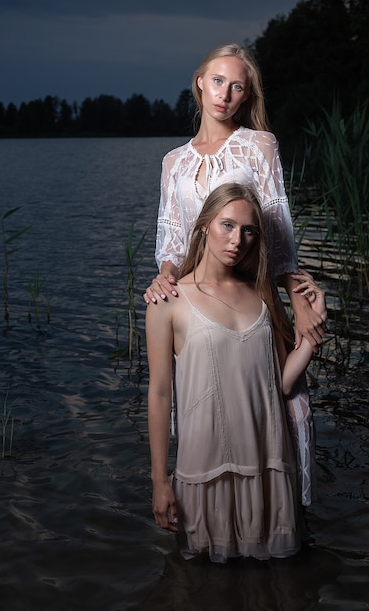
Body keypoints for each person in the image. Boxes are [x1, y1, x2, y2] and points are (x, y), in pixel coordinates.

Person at [144, 43, 326, 505]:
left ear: (246, 97)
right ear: (200, 82)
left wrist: (300, 304)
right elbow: (171, 235)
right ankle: (209, 508)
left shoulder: (258, 145)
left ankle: (282, 516)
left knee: (280, 403)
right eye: (218, 81)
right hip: (200, 304)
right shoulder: (173, 162)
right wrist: (164, 275)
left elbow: (279, 230)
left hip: (256, 295)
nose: (225, 94)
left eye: (237, 86)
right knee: (207, 408)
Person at [147, 183, 327, 563]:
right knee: (203, 584)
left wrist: (314, 332)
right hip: (205, 469)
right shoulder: (168, 301)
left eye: (248, 231)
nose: (237, 240)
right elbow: (160, 394)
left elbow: (279, 382)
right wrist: (160, 481)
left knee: (275, 582)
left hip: (268, 465)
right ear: (203, 226)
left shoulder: (261, 294)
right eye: (227, 226)